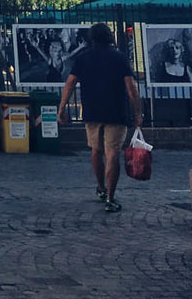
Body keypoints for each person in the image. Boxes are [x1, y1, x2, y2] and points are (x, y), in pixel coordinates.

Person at [56, 23, 142, 213]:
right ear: (109, 36)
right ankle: (111, 198)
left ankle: (101, 188)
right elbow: (131, 87)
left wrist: (62, 108)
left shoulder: (83, 58)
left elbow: (70, 84)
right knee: (113, 154)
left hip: (92, 111)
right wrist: (137, 112)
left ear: (91, 38)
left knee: (95, 150)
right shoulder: (119, 57)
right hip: (116, 112)